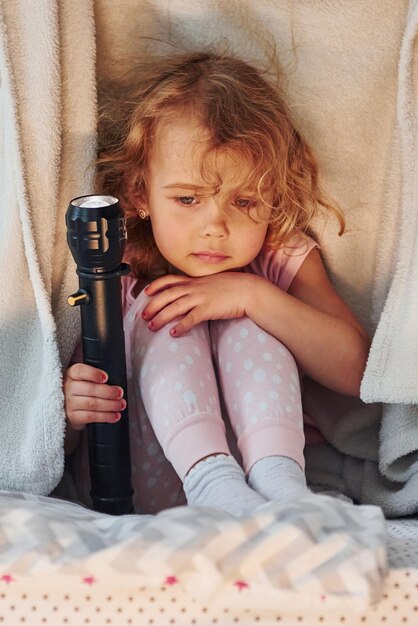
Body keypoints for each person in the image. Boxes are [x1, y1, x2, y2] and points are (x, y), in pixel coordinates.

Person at [63, 51, 370, 517]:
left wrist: (251, 296)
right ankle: (211, 480)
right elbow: (64, 422)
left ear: (274, 198)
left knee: (251, 323)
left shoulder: (278, 254)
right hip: (147, 488)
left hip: (269, 496)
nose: (215, 226)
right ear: (141, 193)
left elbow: (355, 371)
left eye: (245, 201)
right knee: (163, 312)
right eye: (188, 198)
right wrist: (71, 407)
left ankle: (280, 481)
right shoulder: (115, 265)